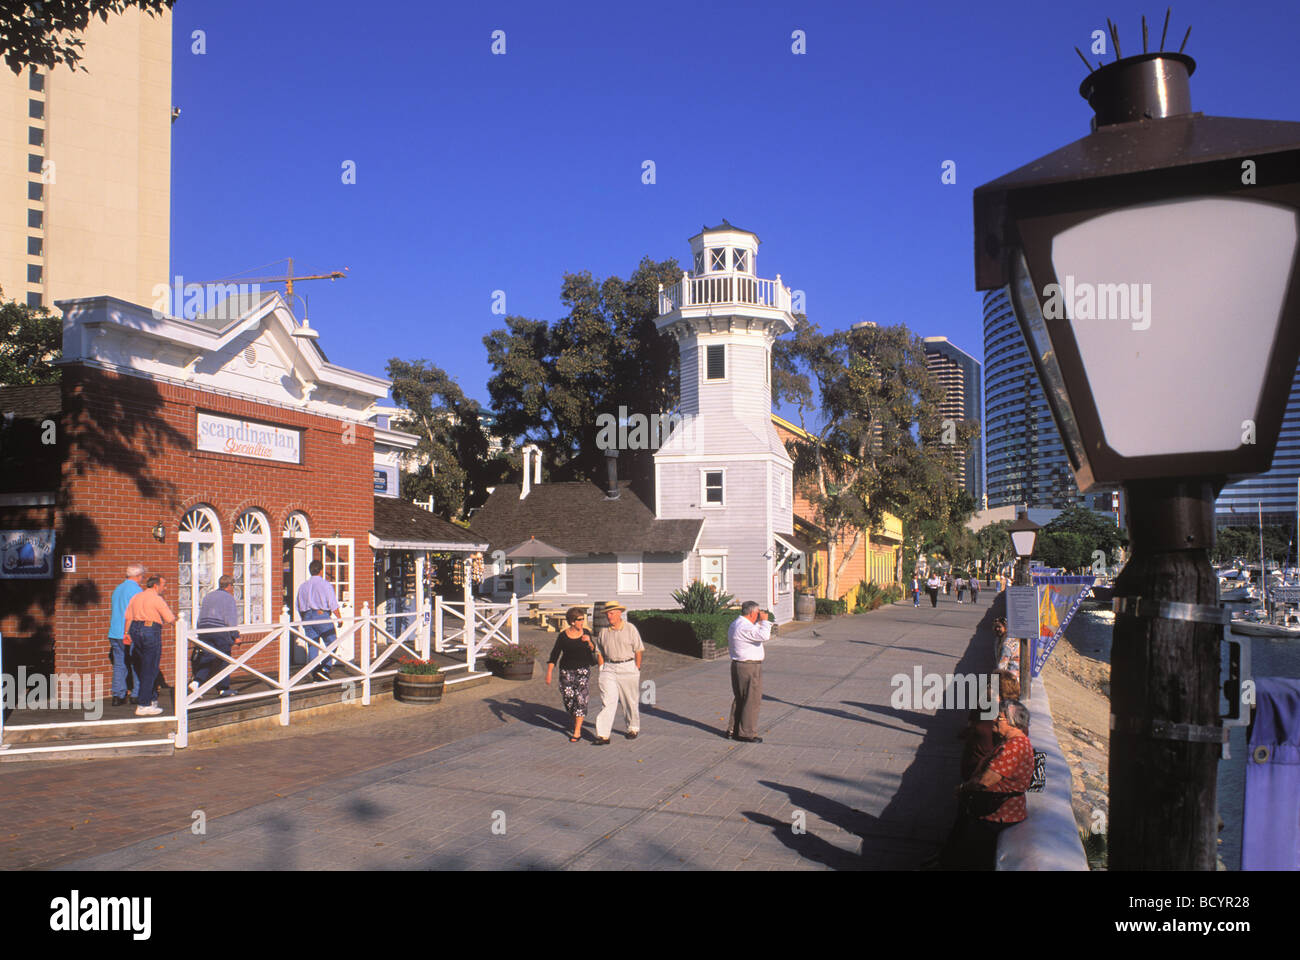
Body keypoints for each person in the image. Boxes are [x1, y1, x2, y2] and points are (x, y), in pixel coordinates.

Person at [941, 699, 1034, 870]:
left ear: (1013, 723)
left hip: (997, 814)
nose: (994, 721)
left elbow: (986, 781)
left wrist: (963, 789)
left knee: (973, 857)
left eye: (999, 718)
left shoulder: (1014, 748)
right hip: (998, 811)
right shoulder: (1015, 742)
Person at [545, 607, 604, 741]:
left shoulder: (586, 632)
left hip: (583, 670)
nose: (582, 622)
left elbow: (594, 649)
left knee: (581, 699)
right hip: (566, 671)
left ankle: (577, 731)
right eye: (579, 619)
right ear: (572, 621)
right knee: (568, 698)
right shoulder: (563, 636)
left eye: (583, 619)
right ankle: (576, 716)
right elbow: (554, 654)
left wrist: (588, 641)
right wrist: (549, 673)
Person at [592, 601, 644, 744]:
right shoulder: (604, 632)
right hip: (609, 669)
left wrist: (636, 667)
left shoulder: (630, 629)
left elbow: (639, 649)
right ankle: (603, 735)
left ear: (619, 613)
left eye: (612, 613)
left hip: (628, 667)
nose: (609, 616)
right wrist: (602, 668)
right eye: (608, 613)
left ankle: (633, 728)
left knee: (630, 701)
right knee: (608, 702)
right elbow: (599, 652)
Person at [124, 575, 176, 716]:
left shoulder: (136, 597)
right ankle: (144, 704)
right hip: (150, 630)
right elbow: (170, 618)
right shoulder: (156, 599)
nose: (165, 588)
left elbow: (128, 617)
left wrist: (126, 634)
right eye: (163, 585)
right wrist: (182, 630)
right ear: (155, 586)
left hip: (135, 629)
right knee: (150, 667)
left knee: (143, 667)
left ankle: (151, 699)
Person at [725, 601, 770, 743]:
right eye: (757, 613)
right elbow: (764, 636)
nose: (759, 615)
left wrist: (758, 622)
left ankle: (733, 729)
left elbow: (755, 632)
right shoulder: (743, 627)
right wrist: (765, 622)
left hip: (740, 665)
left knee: (741, 698)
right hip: (749, 666)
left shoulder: (738, 624)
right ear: (752, 613)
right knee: (751, 699)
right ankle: (747, 733)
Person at [192, 574, 239, 698]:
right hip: (219, 630)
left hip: (205, 630)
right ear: (229, 586)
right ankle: (223, 688)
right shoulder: (228, 598)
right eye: (232, 586)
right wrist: (236, 635)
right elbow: (230, 618)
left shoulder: (208, 596)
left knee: (208, 656)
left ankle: (196, 682)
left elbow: (200, 615)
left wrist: (199, 631)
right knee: (225, 659)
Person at [296, 560, 342, 681]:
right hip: (321, 615)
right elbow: (333, 603)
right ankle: (324, 669)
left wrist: (304, 618)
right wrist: (339, 618)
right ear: (321, 571)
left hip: (307, 616)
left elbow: (299, 605)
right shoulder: (325, 584)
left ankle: (315, 670)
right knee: (333, 642)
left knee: (313, 645)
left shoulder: (303, 586)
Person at [108, 562, 145, 706]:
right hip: (129, 632)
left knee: (119, 664)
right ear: (138, 576)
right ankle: (136, 694)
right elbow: (138, 613)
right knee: (137, 662)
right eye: (142, 576)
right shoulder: (137, 591)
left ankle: (118, 695)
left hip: (114, 632)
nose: (142, 579)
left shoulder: (118, 588)